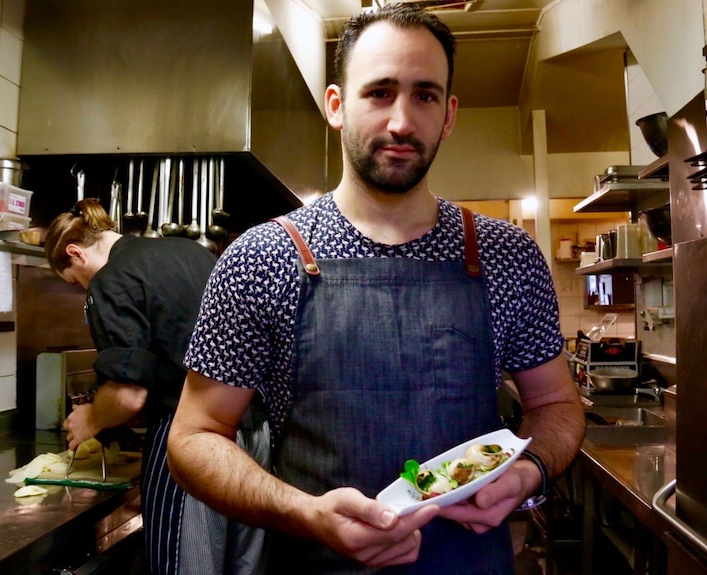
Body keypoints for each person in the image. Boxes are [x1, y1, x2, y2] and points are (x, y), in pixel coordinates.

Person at [166, 3, 585, 574]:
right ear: (337, 106)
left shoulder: (505, 255)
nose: (402, 123)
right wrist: (303, 512)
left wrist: (529, 471)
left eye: (425, 95)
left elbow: (556, 405)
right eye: (380, 92)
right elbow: (193, 438)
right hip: (312, 561)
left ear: (450, 114)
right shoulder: (262, 259)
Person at [44, 197, 270, 575]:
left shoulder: (110, 280)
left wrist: (90, 419)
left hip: (194, 439)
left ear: (75, 253)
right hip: (255, 430)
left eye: (74, 281)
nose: (82, 289)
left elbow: (127, 395)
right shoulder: (189, 251)